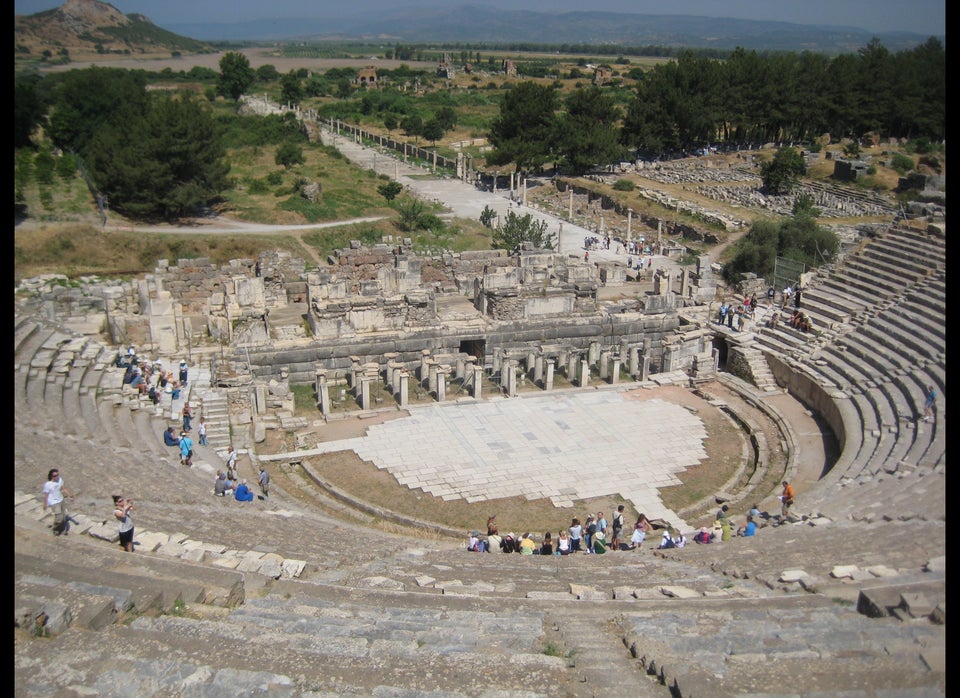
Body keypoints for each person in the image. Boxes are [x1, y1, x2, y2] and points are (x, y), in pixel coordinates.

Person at [43, 468, 73, 536]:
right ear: (51, 476)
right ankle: (55, 529)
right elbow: (46, 495)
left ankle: (61, 530)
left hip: (61, 500)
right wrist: (45, 504)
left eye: (57, 475)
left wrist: (70, 495)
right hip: (54, 502)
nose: (57, 477)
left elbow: (63, 488)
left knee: (64, 516)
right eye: (55, 476)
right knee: (59, 518)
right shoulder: (48, 484)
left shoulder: (60, 480)